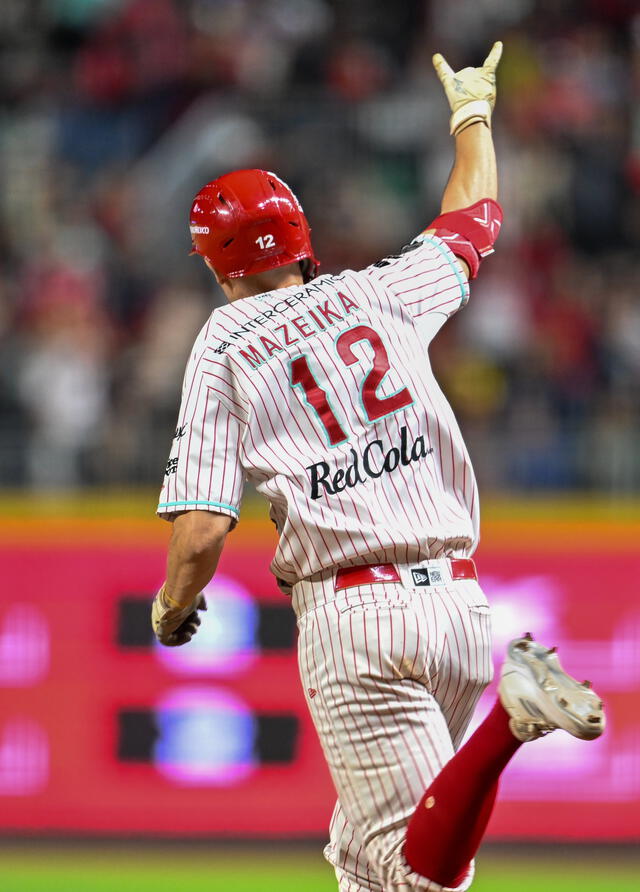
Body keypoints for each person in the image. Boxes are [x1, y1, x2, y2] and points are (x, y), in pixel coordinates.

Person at [150, 42, 604, 891]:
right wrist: (473, 116)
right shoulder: (376, 291)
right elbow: (476, 217)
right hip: (461, 609)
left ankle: (512, 723)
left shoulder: (223, 341)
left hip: (358, 619)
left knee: (412, 878)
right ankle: (507, 715)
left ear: (215, 263)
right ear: (300, 239)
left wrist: (174, 607)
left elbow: (205, 526)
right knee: (370, 867)